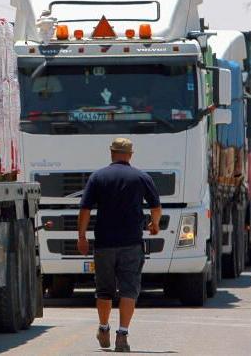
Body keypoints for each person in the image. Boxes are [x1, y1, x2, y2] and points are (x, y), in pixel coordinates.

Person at [77, 138, 162, 352]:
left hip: (104, 243)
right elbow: (156, 207)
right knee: (129, 289)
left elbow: (85, 209)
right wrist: (155, 224)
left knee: (103, 289)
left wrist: (81, 237)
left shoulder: (98, 177)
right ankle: (122, 335)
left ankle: (103, 328)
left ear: (111, 153)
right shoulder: (142, 177)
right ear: (130, 155)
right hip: (131, 243)